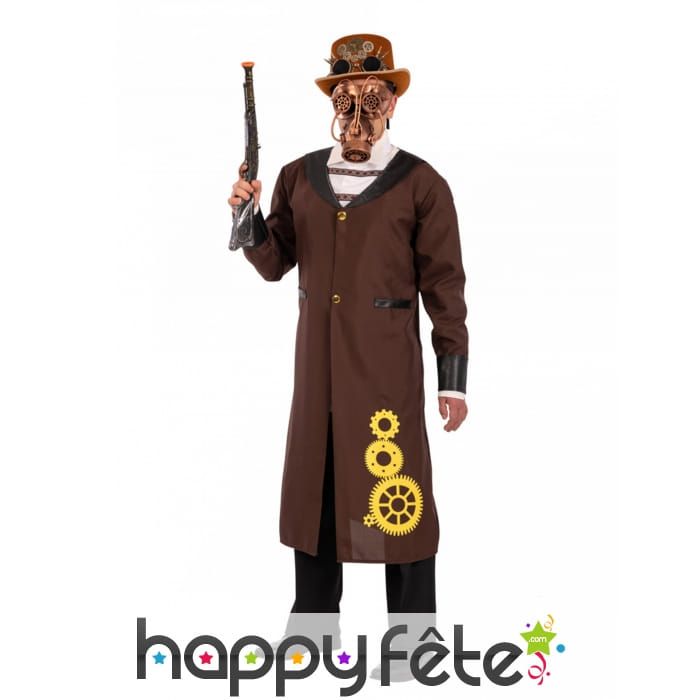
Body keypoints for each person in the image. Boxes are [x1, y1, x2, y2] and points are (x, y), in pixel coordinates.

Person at [228, 33, 469, 675]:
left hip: (387, 375)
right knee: (317, 492)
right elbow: (274, 262)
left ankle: (413, 642)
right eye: (347, 95)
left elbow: (445, 285)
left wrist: (452, 377)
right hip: (318, 374)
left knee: (399, 499)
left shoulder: (422, 184)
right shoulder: (298, 177)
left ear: (393, 103)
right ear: (332, 102)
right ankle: (310, 630)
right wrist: (247, 217)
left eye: (373, 95)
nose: (360, 108)